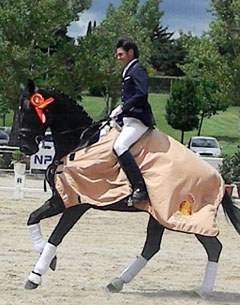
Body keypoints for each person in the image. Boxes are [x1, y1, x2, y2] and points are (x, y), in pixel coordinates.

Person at [110, 37, 155, 205]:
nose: (118, 57)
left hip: (138, 120)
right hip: (129, 119)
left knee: (119, 146)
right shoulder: (129, 70)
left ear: (131, 52)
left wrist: (123, 107)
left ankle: (140, 188)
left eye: (121, 54)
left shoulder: (137, 69)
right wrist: (118, 115)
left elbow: (141, 94)